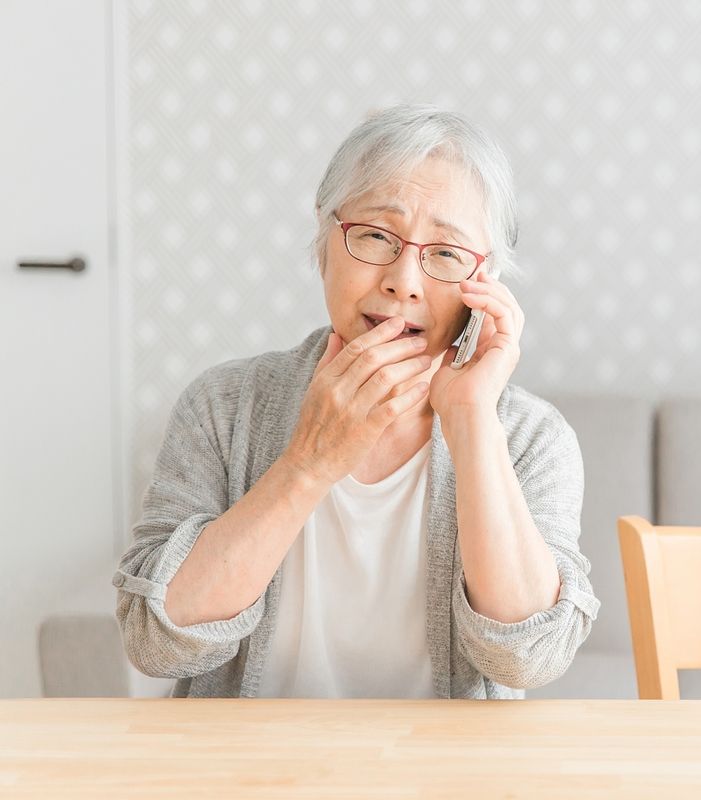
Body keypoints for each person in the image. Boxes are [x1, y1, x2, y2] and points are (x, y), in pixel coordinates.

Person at [113, 104, 599, 699]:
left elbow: (529, 659)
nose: (405, 281)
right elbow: (154, 641)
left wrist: (473, 421)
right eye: (374, 236)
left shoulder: (531, 437)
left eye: (446, 254)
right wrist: (309, 461)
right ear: (325, 240)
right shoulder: (223, 405)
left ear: (486, 282)